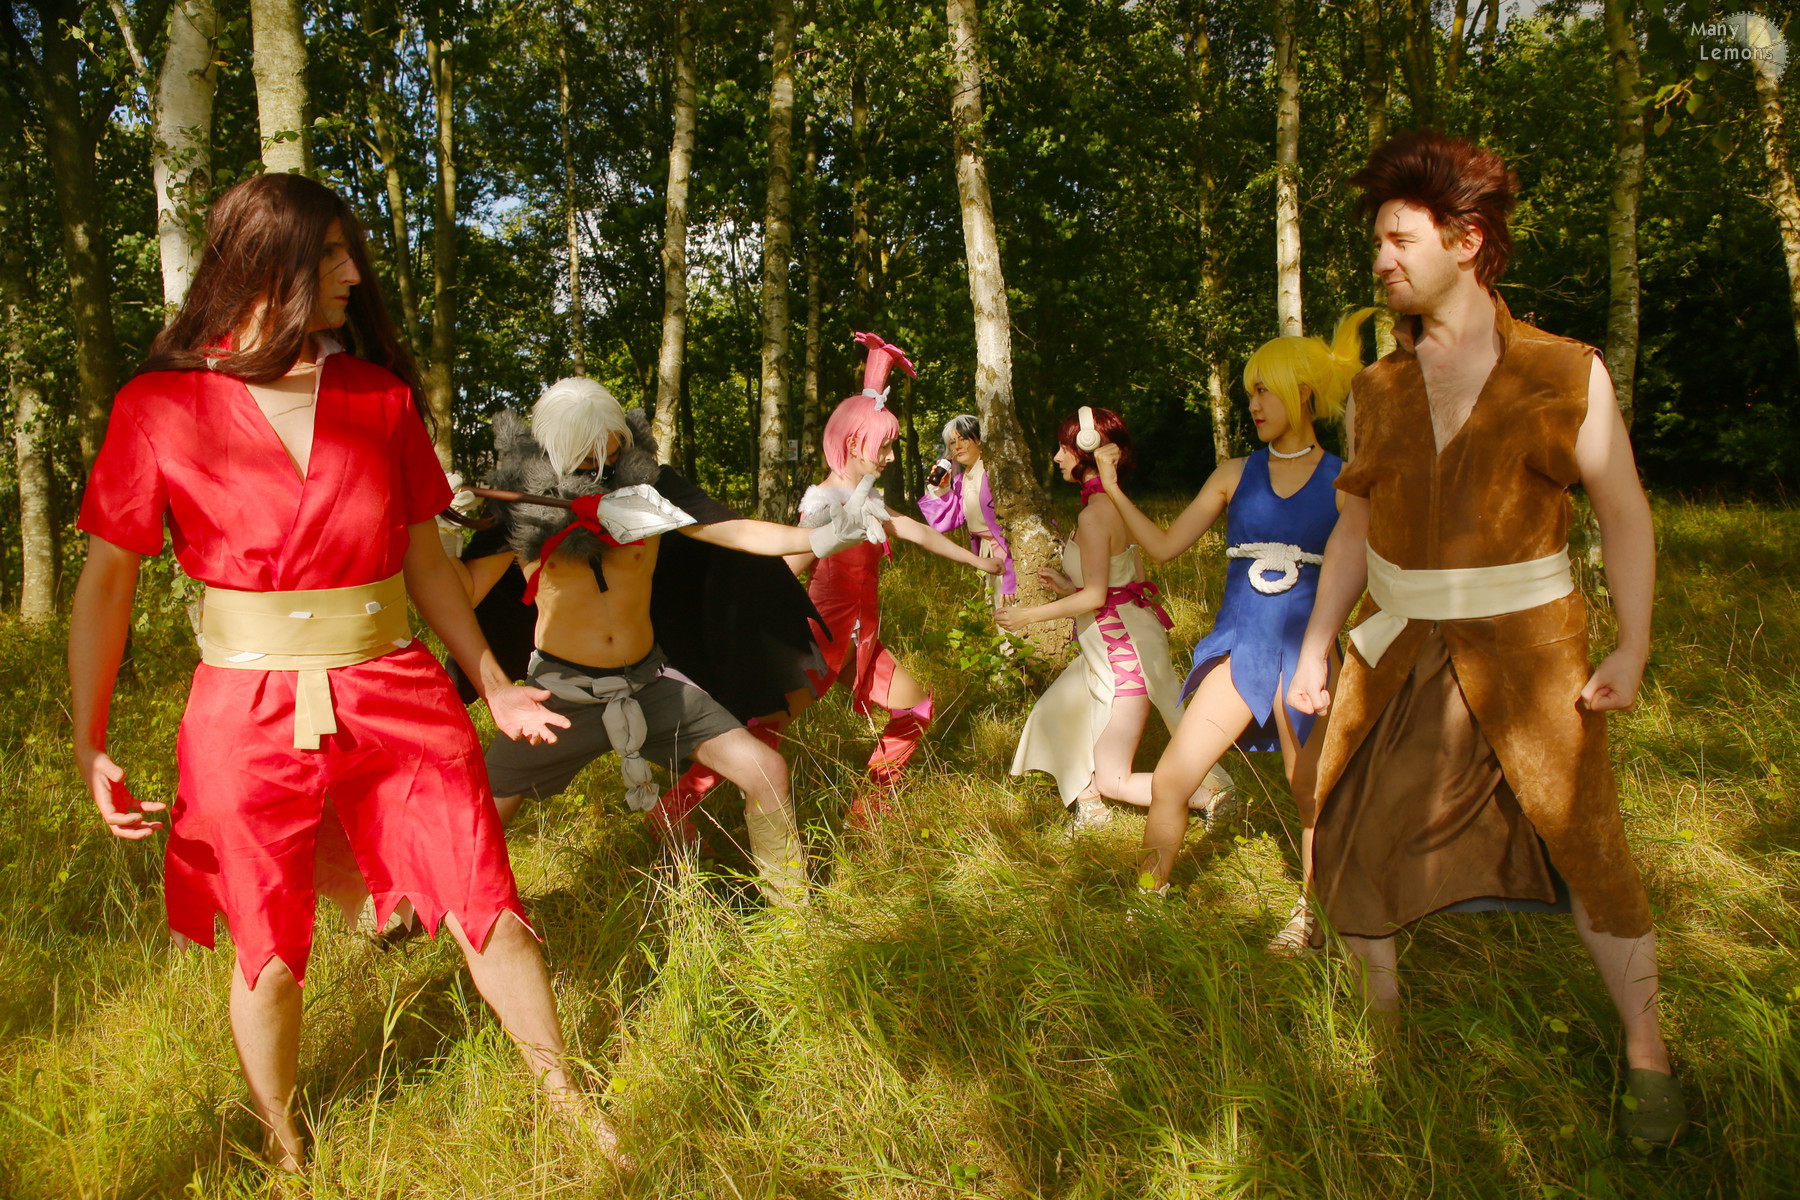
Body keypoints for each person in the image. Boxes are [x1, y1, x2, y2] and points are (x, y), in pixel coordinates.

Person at [66, 174, 625, 1171]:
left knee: (485, 899)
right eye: (328, 255)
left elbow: (426, 563)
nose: (351, 275)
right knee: (269, 951)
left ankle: (570, 1103)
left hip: (396, 689)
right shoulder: (159, 406)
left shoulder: (376, 397)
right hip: (241, 709)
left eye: (346, 254)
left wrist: (493, 681)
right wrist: (89, 738)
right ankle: (285, 1146)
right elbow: (107, 582)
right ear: (262, 260)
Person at [1285, 131, 1683, 1144]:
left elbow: (1625, 515)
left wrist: (1632, 646)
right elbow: (1355, 528)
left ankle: (1648, 1054)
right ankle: (1383, 1039)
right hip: (1399, 644)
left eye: (1399, 239)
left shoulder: (1563, 370)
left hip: (1531, 655)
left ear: (1465, 242)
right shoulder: (1376, 391)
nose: (1381, 259)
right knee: (1352, 826)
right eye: (1378, 241)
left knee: (1586, 847)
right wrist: (1318, 642)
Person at [455, 379, 878, 902]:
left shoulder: (647, 485)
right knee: (479, 814)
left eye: (611, 451)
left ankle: (792, 908)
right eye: (587, 459)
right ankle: (430, 915)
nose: (603, 467)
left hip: (649, 684)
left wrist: (819, 537)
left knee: (766, 770)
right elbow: (463, 591)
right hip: (561, 695)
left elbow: (732, 530)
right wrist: (437, 536)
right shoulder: (520, 501)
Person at [1098, 311, 1372, 951]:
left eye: (1265, 389)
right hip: (1239, 649)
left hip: (1305, 654)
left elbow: (1368, 569)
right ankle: (1148, 899)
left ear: (1303, 393)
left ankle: (1312, 916)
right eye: (1250, 391)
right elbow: (1164, 547)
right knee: (1172, 779)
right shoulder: (1232, 473)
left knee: (1311, 794)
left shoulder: (1344, 481)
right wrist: (1112, 488)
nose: (1253, 403)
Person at [789, 333, 1004, 825]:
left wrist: (979, 563)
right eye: (883, 447)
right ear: (852, 444)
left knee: (916, 709)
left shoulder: (866, 501)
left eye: (891, 446)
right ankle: (672, 812)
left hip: (860, 642)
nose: (889, 457)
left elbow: (915, 531)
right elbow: (783, 568)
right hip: (818, 644)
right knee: (759, 730)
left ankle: (869, 808)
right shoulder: (823, 506)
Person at [1002, 407, 1234, 831]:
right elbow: (1129, 577)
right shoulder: (1114, 505)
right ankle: (1090, 803)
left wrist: (1027, 615)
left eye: (1064, 448)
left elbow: (1096, 595)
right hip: (1122, 638)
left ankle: (1209, 796)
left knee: (1115, 778)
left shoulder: (1094, 515)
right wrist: (1069, 588)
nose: (1057, 457)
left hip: (1119, 652)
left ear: (1087, 450)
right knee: (1052, 712)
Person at [917, 414, 1017, 608]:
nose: (957, 447)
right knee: (999, 614)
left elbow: (1015, 526)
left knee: (1013, 612)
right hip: (989, 554)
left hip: (1008, 554)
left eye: (963, 439)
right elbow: (946, 521)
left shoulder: (994, 473)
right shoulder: (962, 480)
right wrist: (943, 489)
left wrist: (1011, 575)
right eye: (952, 442)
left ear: (979, 439)